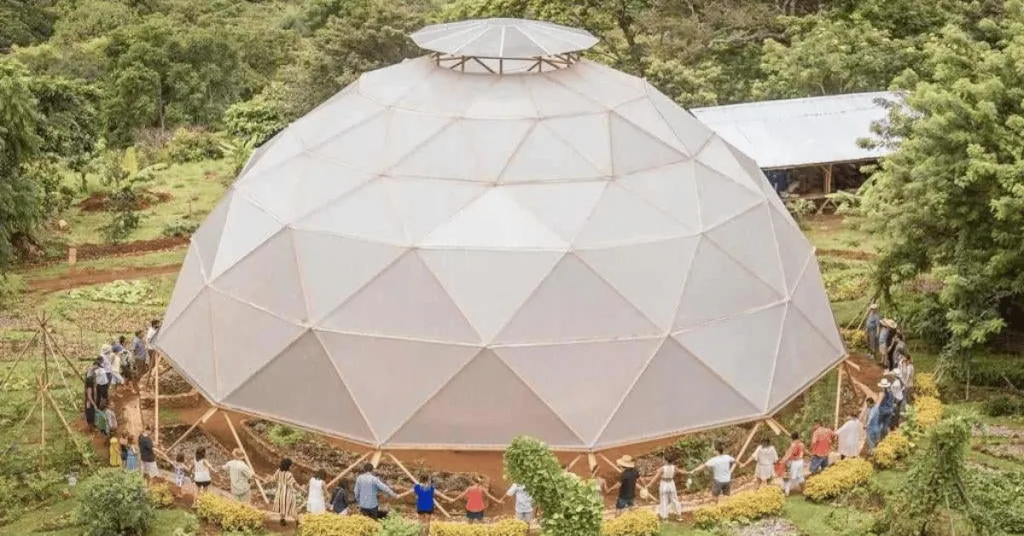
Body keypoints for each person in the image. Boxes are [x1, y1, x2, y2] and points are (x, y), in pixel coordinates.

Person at [271, 458, 301, 525]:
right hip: (288, 493)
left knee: (282, 505)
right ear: (288, 466)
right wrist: (302, 489)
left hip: (280, 492)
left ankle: (282, 520)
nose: (291, 467)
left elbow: (274, 479)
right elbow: (294, 484)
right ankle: (297, 521)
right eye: (291, 465)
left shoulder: (278, 471)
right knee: (292, 507)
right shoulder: (289, 474)